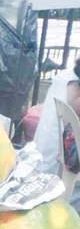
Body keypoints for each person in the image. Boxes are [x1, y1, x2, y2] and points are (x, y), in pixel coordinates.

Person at [32, 58, 80, 205]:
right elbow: (75, 110)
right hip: (69, 155)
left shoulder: (65, 77)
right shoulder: (72, 83)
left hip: (60, 153)